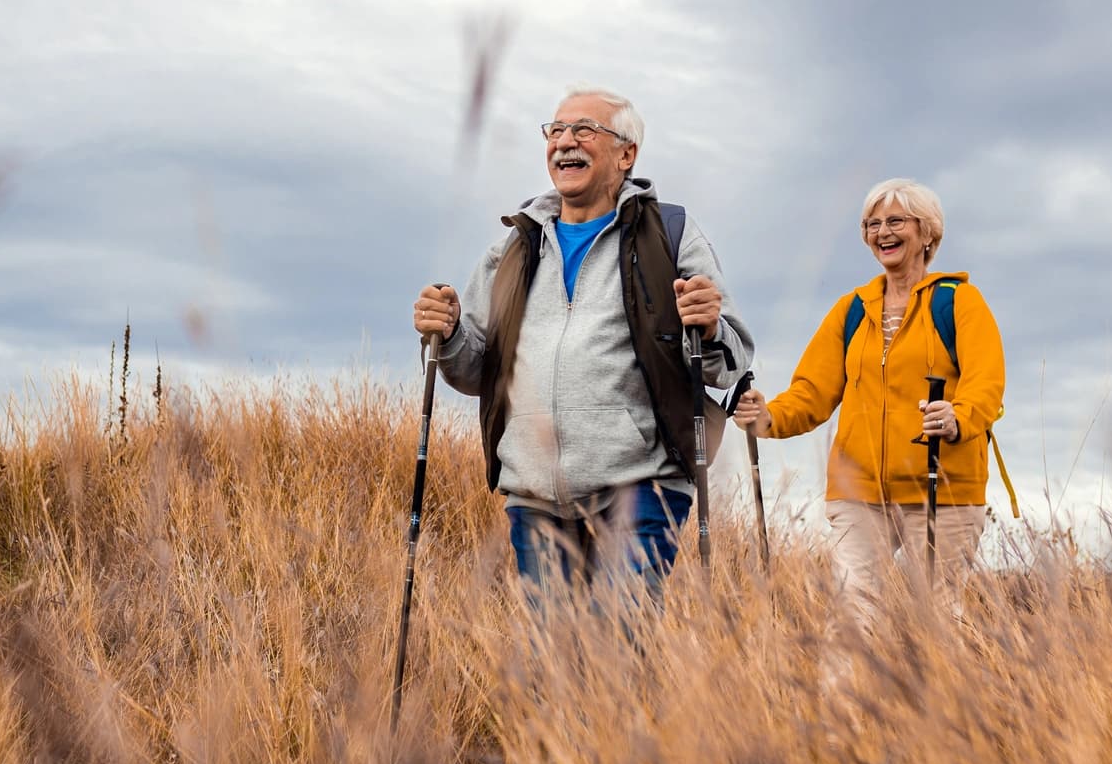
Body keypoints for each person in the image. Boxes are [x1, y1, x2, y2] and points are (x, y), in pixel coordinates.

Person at [412, 85, 753, 609]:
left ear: (626, 154)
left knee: (616, 652)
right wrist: (449, 332)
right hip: (534, 495)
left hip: (641, 487)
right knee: (551, 669)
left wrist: (707, 328)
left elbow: (731, 360)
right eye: (556, 130)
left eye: (584, 130)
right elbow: (474, 367)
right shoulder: (514, 245)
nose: (565, 142)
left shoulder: (670, 235)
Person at [731, 178, 1005, 613]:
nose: (882, 233)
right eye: (871, 224)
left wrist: (958, 418)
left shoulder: (960, 303)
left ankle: (934, 684)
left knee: (936, 619)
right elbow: (812, 392)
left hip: (943, 486)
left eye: (896, 221)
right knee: (853, 614)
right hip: (857, 491)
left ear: (927, 232)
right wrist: (768, 417)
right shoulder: (852, 309)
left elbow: (986, 383)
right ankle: (845, 686)